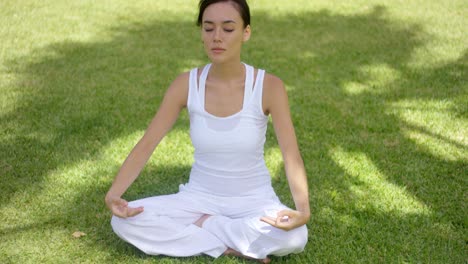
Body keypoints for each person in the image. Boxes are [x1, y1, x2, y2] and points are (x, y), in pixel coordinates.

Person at [105, 0, 310, 262]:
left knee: (296, 236)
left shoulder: (269, 86)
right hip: (198, 199)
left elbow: (290, 154)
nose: (217, 38)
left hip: (254, 201)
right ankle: (228, 244)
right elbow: (148, 143)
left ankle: (208, 228)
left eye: (228, 29)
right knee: (123, 221)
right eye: (208, 28)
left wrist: (303, 210)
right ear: (201, 32)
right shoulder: (185, 84)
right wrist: (114, 194)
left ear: (245, 33)